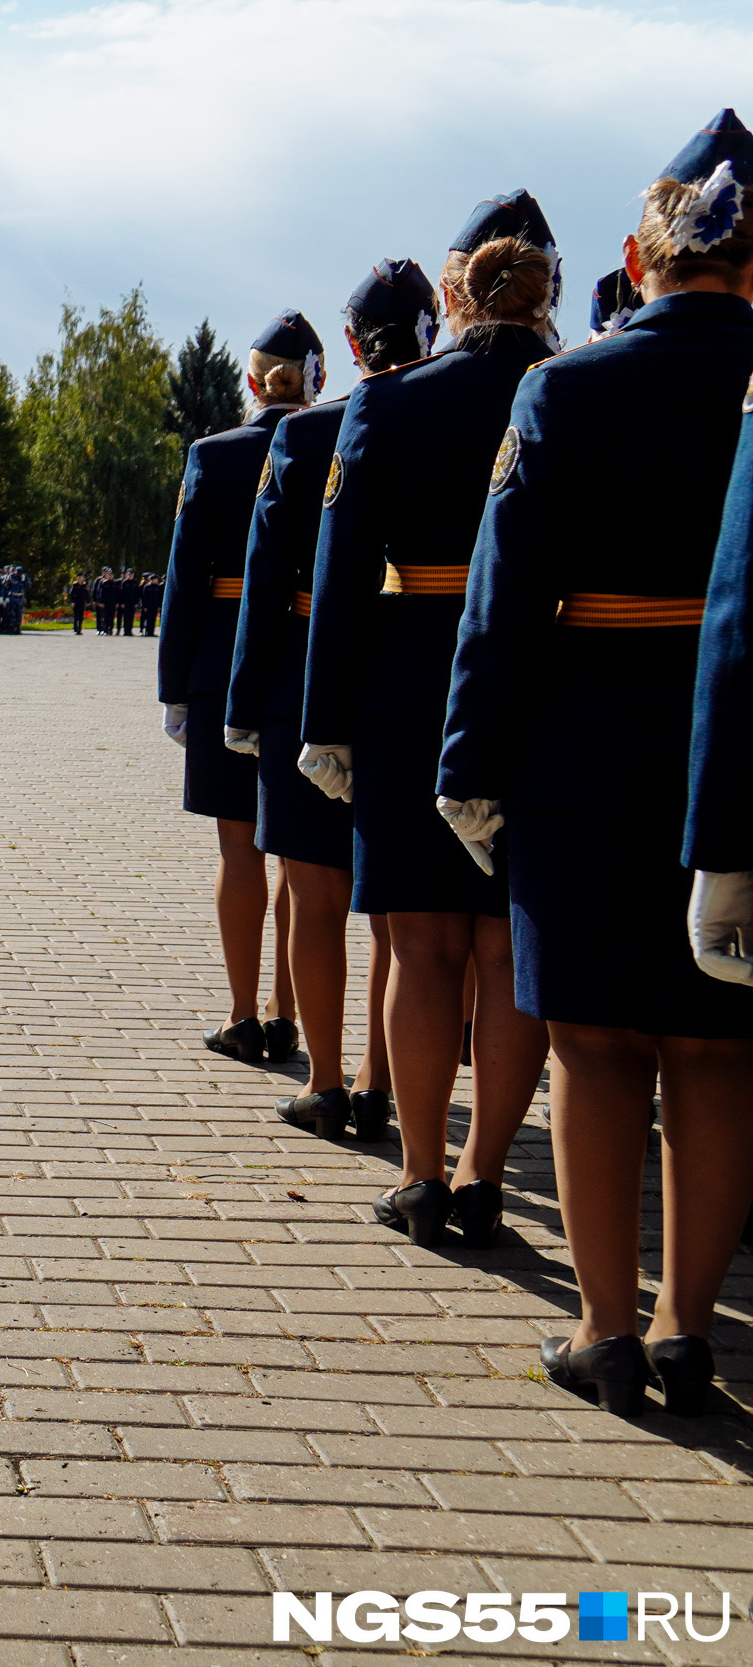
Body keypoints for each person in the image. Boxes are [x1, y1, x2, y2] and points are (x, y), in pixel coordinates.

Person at [443, 116, 753, 1414]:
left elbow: (502, 599)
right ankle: (689, 1324)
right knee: (720, 1054)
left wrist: (471, 755)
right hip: (733, 761)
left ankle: (607, 1323)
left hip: (581, 755)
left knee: (595, 1043)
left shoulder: (565, 391)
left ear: (638, 251)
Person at [309, 194, 559, 1250]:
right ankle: (481, 1172)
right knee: (507, 951)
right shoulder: (566, 390)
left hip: (410, 681)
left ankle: (418, 1172)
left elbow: (337, 578)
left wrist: (324, 723)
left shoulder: (391, 404)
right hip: (542, 681)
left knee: (416, 943)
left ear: (455, 290)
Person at [227, 262, 435, 1142]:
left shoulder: (310, 435)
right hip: (406, 690)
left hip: (304, 687)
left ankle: (323, 1077)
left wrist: (240, 704)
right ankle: (380, 1077)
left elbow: (265, 582)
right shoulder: (450, 409)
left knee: (314, 894)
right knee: (392, 909)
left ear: (347, 348)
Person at [160, 313, 314, 1068]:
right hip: (302, 659)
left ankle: (243, 1014)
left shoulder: (212, 455)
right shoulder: (331, 441)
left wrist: (174, 686)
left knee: (237, 845)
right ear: (316, 377)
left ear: (250, 381)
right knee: (294, 850)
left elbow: (185, 582)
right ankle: (291, 1013)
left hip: (222, 662)